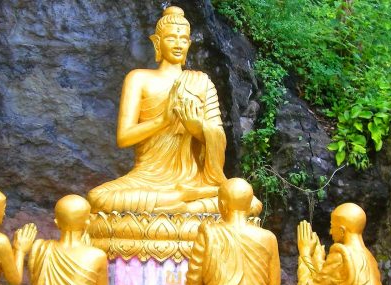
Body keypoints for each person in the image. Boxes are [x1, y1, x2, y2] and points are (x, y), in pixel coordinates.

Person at [87, 6, 261, 215]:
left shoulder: (201, 82)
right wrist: (163, 121)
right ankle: (182, 202)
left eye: (183, 39)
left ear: (188, 43)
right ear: (157, 42)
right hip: (147, 179)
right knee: (98, 198)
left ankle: (180, 204)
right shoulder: (139, 79)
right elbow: (124, 138)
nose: (178, 44)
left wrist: (197, 128)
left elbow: (218, 137)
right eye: (171, 38)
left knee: (248, 202)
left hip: (193, 180)